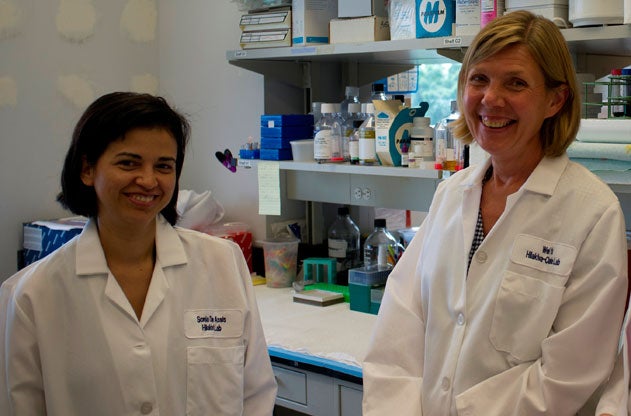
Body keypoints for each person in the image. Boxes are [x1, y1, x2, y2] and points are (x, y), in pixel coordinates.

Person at [362, 10, 628, 416]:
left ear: (555, 100)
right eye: (479, 79)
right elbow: (401, 326)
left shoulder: (592, 212)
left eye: (516, 83)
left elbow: (570, 372)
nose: (490, 99)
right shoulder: (451, 194)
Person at [0, 92, 277, 415]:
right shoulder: (31, 295)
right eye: (128, 163)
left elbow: (255, 394)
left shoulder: (223, 262)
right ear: (87, 169)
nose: (148, 180)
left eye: (163, 166)